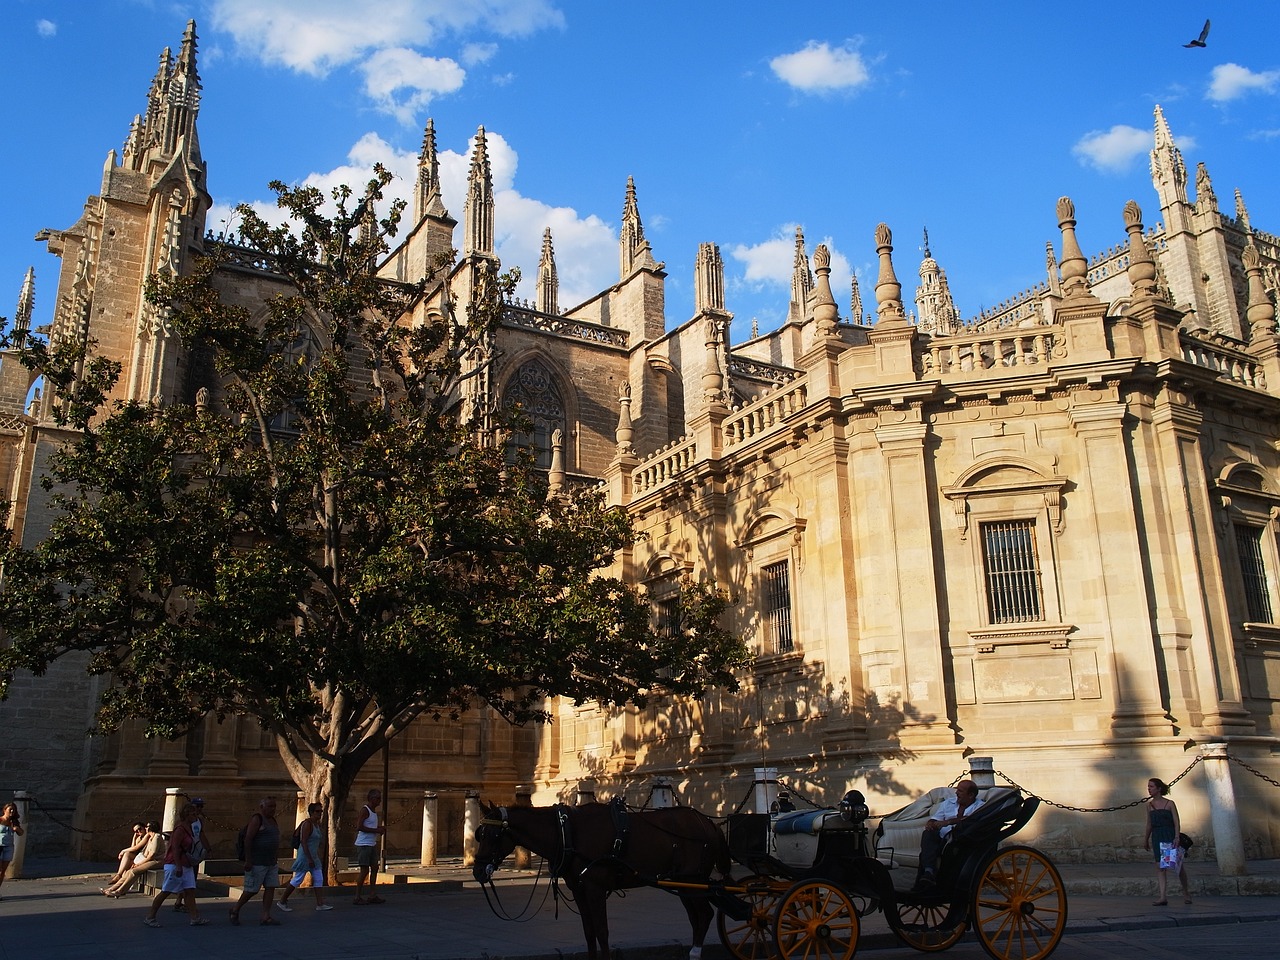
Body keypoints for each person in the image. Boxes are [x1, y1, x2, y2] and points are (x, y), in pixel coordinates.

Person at [141, 803, 208, 927]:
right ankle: (150, 916)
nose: (195, 816)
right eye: (193, 814)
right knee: (166, 891)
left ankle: (194, 917)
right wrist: (177, 865)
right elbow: (175, 848)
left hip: (186, 865)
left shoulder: (190, 828)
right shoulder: (180, 829)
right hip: (175, 864)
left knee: (190, 891)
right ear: (187, 815)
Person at [913, 779, 984, 891]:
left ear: (970, 795)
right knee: (928, 835)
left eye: (960, 791)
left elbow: (970, 820)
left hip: (961, 840)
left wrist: (948, 822)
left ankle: (932, 882)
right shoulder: (948, 803)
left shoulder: (980, 807)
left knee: (930, 851)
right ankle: (928, 873)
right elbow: (936, 819)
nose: (956, 793)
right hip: (941, 837)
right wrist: (931, 823)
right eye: (957, 790)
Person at [230, 797, 282, 925]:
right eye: (270, 806)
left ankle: (266, 915)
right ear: (262, 807)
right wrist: (248, 860)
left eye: (274, 806)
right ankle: (235, 909)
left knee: (270, 887)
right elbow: (248, 840)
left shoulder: (273, 821)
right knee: (251, 889)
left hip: (271, 862)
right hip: (257, 861)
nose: (272, 809)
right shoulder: (257, 819)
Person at [1143, 777, 1191, 906]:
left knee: (1176, 865)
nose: (1149, 789)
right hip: (1157, 836)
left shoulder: (1169, 804)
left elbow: (1176, 821)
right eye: (1148, 786)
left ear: (1159, 789)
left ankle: (1186, 892)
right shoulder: (1149, 805)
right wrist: (1146, 839)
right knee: (1160, 867)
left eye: (1151, 786)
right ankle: (1163, 896)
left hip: (1168, 835)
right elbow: (1149, 824)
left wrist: (1176, 837)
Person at [277, 802, 332, 912]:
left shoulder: (317, 825)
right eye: (317, 811)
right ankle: (282, 900)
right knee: (298, 879)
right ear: (311, 812)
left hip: (314, 856)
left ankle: (320, 903)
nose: (320, 813)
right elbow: (304, 841)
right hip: (305, 856)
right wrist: (309, 858)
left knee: (318, 878)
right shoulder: (307, 824)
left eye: (321, 811)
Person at [103, 822, 164, 897]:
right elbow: (137, 848)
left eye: (147, 827)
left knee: (133, 871)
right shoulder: (150, 837)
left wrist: (139, 864)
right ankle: (112, 889)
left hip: (157, 861)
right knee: (129, 872)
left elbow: (152, 855)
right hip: (148, 859)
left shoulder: (157, 837)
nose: (145, 828)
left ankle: (120, 891)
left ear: (151, 828)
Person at [174, 797, 210, 911]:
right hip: (186, 852)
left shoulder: (199, 821)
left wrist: (207, 848)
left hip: (194, 851)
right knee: (187, 880)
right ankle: (183, 902)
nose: (200, 809)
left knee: (191, 878)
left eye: (201, 807)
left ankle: (183, 902)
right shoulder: (182, 824)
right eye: (197, 806)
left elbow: (200, 834)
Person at [353, 789, 386, 905]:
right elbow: (359, 827)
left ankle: (372, 894)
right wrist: (376, 830)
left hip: (371, 844)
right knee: (364, 870)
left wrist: (378, 829)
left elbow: (369, 825)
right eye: (377, 798)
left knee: (375, 868)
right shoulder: (365, 810)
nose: (379, 801)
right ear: (371, 799)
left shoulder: (373, 812)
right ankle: (357, 896)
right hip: (364, 844)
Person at [0, 802, 24, 901]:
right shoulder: (0, 820)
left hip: (9, 847)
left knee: (2, 871)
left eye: (13, 810)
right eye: (10, 809)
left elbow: (21, 833)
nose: (12, 811)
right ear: (5, 810)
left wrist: (17, 829)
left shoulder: (14, 822)